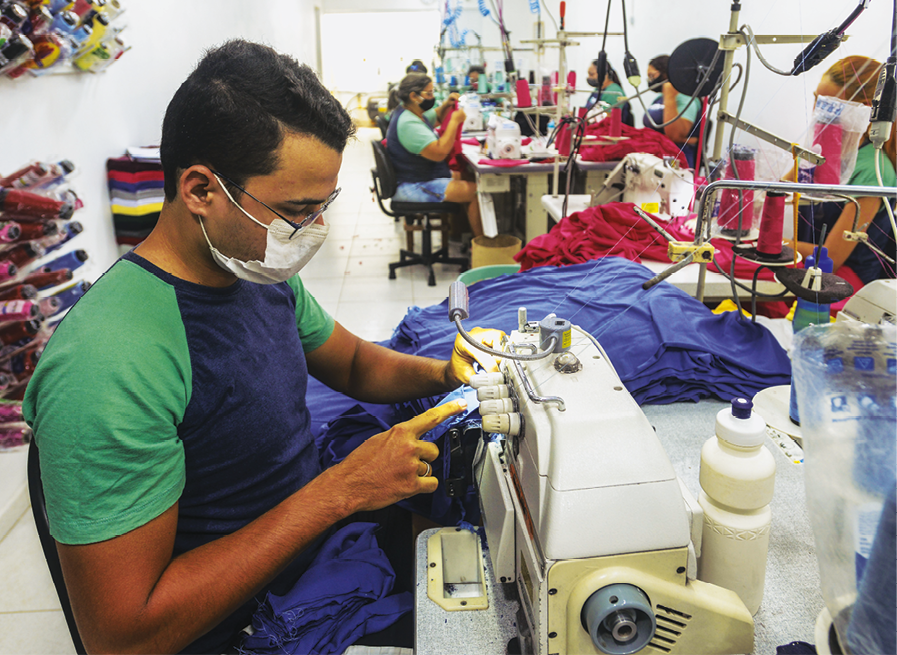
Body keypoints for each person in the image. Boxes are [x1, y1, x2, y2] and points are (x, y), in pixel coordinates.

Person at [23, 40, 500, 655]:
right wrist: (341, 491)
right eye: (297, 211)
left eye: (322, 206)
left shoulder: (252, 270)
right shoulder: (111, 363)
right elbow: (123, 635)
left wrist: (444, 370)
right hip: (238, 625)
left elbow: (352, 362)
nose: (312, 232)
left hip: (305, 550)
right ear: (200, 190)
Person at [791, 55, 897, 286]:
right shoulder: (822, 152)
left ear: (865, 111)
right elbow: (778, 195)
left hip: (844, 283)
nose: (819, 113)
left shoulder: (874, 171)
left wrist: (771, 242)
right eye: (817, 102)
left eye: (830, 106)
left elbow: (832, 257)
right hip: (809, 266)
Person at [387, 73, 483, 237]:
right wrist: (454, 121)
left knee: (467, 176)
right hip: (413, 186)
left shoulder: (411, 112)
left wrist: (447, 105)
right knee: (476, 191)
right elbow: (439, 153)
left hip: (417, 177)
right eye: (429, 94)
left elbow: (437, 117)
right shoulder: (408, 123)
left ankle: (461, 235)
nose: (432, 97)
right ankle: (484, 246)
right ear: (414, 96)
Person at [643, 54, 702, 168]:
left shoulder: (687, 98)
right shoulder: (659, 99)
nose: (650, 81)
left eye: (652, 76)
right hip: (654, 157)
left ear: (666, 73)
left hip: (675, 161)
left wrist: (669, 93)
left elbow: (675, 135)